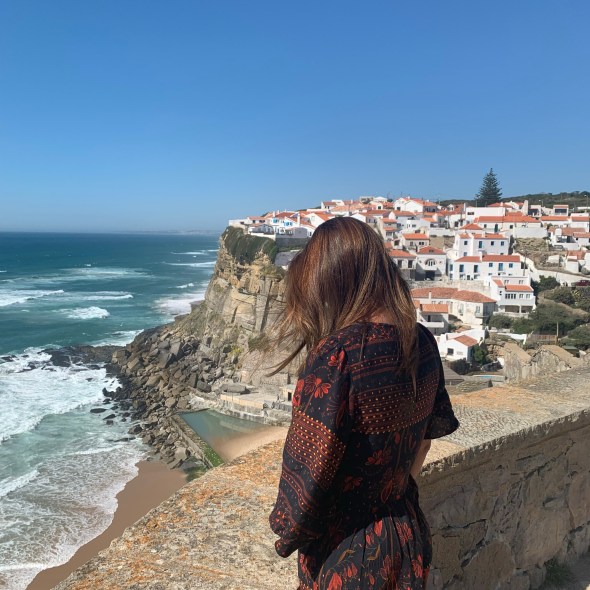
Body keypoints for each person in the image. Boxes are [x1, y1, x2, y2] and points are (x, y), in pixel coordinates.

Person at [268, 217, 459, 589]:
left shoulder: (338, 356)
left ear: (333, 281)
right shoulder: (422, 341)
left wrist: (287, 533)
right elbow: (424, 442)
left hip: (348, 553)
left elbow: (307, 478)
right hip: (406, 534)